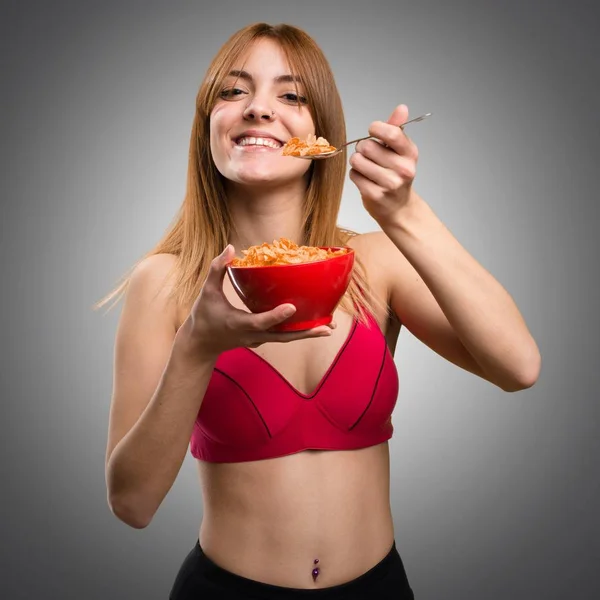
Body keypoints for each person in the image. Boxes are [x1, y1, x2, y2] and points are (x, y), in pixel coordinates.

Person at [99, 22, 541, 600]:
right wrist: (197, 348)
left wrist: (404, 214)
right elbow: (132, 504)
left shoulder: (375, 261)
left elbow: (518, 367)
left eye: (291, 95)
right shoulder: (164, 283)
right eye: (234, 92)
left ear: (323, 135)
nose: (259, 109)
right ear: (208, 126)